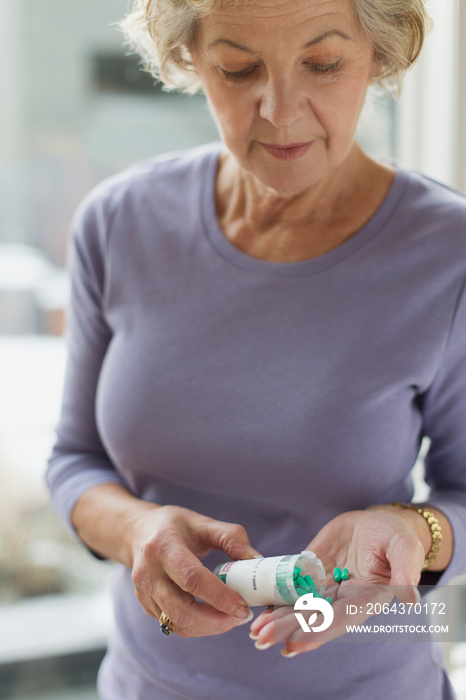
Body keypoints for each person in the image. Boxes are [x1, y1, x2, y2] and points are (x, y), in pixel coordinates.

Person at [46, 0, 466, 697]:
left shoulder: (448, 256)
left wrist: (411, 530)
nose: (279, 110)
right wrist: (138, 532)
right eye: (239, 69)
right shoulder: (119, 223)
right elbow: (75, 460)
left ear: (378, 54)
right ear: (191, 59)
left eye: (323, 64)